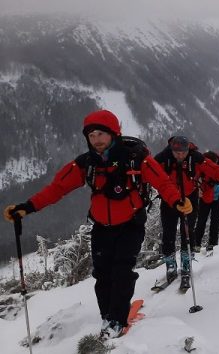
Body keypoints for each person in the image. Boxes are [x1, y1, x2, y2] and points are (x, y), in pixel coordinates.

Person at [3, 110, 191, 339]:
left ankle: (116, 320)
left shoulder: (136, 157)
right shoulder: (86, 164)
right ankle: (107, 316)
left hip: (131, 223)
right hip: (101, 225)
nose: (97, 140)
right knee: (102, 274)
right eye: (92, 136)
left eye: (101, 134)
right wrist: (27, 207)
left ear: (114, 133)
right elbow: (56, 189)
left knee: (122, 270)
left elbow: (162, 181)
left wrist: (177, 200)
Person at [154, 137, 219, 279]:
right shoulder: (163, 158)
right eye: (177, 153)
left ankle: (186, 261)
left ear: (188, 150)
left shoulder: (196, 157)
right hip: (169, 200)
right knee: (168, 232)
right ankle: (170, 264)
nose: (180, 155)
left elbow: (213, 169)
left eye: (183, 152)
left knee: (188, 230)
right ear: (172, 150)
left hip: (190, 198)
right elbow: (150, 172)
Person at [193, 151, 219, 253]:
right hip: (212, 195)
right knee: (212, 219)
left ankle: (198, 244)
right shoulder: (201, 166)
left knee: (203, 219)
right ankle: (211, 243)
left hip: (208, 196)